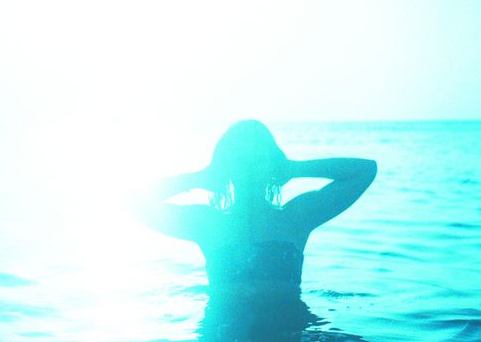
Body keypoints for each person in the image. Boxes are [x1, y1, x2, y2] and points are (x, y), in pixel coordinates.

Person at [141, 120, 377, 297]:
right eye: (240, 161)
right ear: (225, 168)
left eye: (256, 160)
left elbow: (366, 170)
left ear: (273, 164)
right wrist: (201, 177)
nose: (249, 169)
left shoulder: (296, 218)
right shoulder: (208, 224)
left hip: (289, 341)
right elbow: (131, 201)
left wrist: (294, 169)